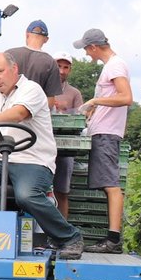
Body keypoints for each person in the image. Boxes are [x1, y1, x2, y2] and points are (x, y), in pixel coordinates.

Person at [0, 52, 84, 260]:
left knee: (26, 195)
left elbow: (19, 114)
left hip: (33, 162)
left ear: (14, 69)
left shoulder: (32, 90)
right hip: (2, 160)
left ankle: (70, 237)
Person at [71, 28, 132, 253]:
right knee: (108, 185)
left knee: (111, 186)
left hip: (107, 134)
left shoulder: (115, 65)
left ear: (94, 47)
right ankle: (112, 239)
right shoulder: (111, 67)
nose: (87, 54)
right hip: (102, 131)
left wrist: (96, 99)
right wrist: (94, 109)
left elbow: (126, 97)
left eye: (87, 49)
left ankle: (113, 240)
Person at [51, 52, 85, 218]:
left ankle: (62, 235)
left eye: (66, 67)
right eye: (59, 66)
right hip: (43, 145)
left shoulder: (74, 93)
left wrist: (66, 111)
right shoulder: (41, 88)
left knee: (62, 191)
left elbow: (82, 117)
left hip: (65, 148)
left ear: (70, 70)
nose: (62, 71)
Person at [5, 19, 62, 109]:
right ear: (46, 39)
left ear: (27, 34)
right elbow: (50, 102)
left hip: (7, 114)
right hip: (33, 118)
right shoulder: (51, 63)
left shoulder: (8, 55)